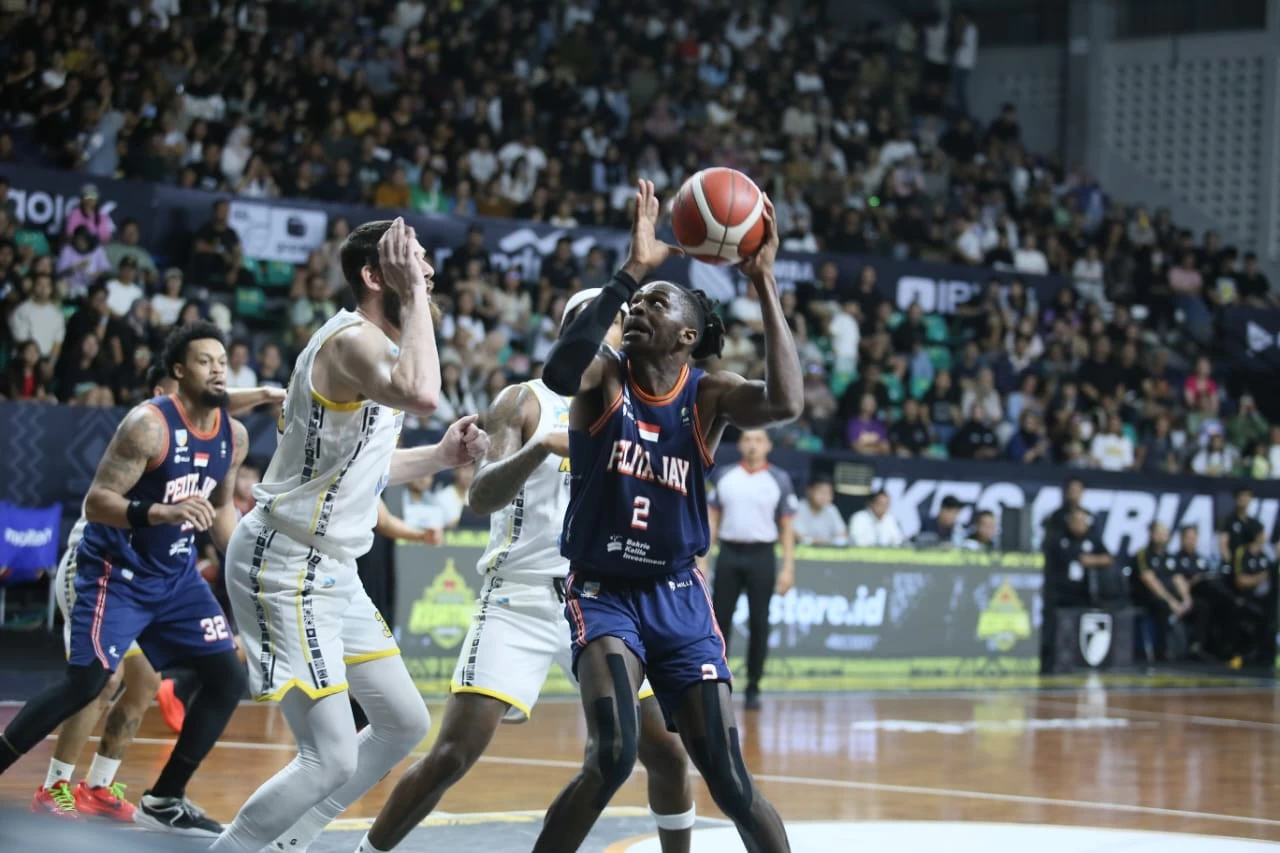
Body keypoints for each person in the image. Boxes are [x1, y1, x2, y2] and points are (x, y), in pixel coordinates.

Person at [361, 287, 695, 853]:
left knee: (665, 751)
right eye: (600, 320)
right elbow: (481, 496)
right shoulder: (524, 400)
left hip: (603, 601)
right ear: (571, 332)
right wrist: (541, 448)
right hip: (521, 597)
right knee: (453, 754)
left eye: (620, 321)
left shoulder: (640, 407)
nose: (614, 330)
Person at [530, 180, 798, 853]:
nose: (639, 308)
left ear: (687, 333)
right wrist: (632, 271)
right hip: (603, 591)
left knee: (730, 781)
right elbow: (559, 374)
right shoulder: (604, 376)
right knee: (613, 755)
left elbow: (787, 402)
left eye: (657, 301)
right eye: (635, 303)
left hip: (679, 595)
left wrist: (764, 282)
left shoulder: (708, 395)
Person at [210, 218, 489, 853]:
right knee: (329, 757)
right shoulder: (353, 342)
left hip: (332, 567)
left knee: (402, 722)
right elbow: (424, 394)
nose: (427, 272)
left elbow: (369, 464)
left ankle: (292, 842)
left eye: (423, 262)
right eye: (412, 261)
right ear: (374, 276)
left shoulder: (375, 350)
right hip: (286, 562)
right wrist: (414, 295)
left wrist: (441, 456)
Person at [0, 322, 251, 837]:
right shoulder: (148, 425)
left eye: (223, 362)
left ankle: (160, 797)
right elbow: (97, 503)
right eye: (205, 361)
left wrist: (248, 566)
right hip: (115, 572)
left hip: (175, 577)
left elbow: (222, 509)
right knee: (93, 681)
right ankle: (54, 783)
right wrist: (161, 512)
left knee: (224, 677)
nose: (218, 370)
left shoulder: (234, 434)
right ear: (178, 373)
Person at [37, 368, 284, 821]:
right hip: (96, 567)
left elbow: (222, 405)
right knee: (104, 678)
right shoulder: (146, 424)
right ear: (160, 393)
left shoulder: (207, 434)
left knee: (147, 682)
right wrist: (266, 393)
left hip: (149, 578)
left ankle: (98, 786)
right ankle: (54, 785)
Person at [705, 429, 798, 710]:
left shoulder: (779, 479)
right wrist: (703, 558)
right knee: (719, 621)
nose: (752, 445)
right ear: (740, 444)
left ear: (768, 445)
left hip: (762, 554)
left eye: (758, 440)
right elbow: (712, 520)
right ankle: (718, 681)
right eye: (747, 439)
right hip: (729, 552)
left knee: (760, 622)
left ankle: (754, 686)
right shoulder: (725, 476)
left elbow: (787, 527)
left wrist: (788, 568)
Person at [1040, 507, 1112, 673]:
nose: (1080, 524)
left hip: (1083, 593)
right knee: (1053, 626)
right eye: (1076, 521)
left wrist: (1092, 560)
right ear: (1069, 522)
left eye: (1083, 521)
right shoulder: (1058, 539)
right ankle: (1050, 664)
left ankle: (1078, 663)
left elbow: (1109, 558)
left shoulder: (1092, 538)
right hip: (1058, 593)